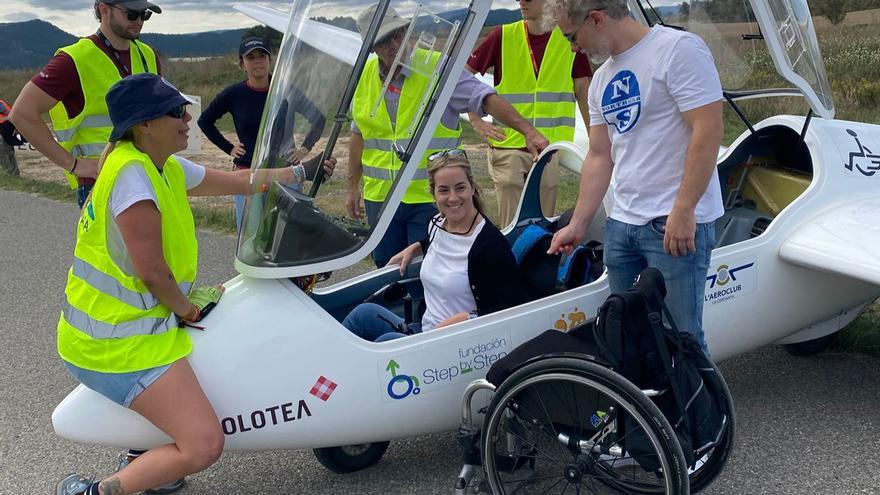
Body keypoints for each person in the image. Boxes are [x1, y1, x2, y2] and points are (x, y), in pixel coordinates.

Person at [54, 73, 335, 495]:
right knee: (204, 445)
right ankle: (96, 491)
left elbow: (242, 181)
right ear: (143, 123)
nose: (188, 118)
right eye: (175, 112)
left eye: (184, 109)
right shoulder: (133, 179)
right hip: (117, 344)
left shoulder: (155, 162)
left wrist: (300, 171)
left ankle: (147, 453)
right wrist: (187, 309)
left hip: (130, 326)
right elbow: (152, 273)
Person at [548, 0, 724, 353]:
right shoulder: (600, 80)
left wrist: (684, 209)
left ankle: (700, 411)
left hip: (673, 225)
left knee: (682, 343)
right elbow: (600, 155)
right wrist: (580, 223)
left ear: (596, 18)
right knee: (629, 337)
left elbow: (707, 130)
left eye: (572, 35)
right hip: (622, 227)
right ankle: (644, 410)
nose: (572, 47)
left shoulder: (678, 50)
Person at [347, 4, 550, 268]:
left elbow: (484, 98)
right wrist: (352, 187)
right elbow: (358, 134)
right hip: (380, 199)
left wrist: (528, 131)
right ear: (373, 48)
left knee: (428, 270)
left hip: (430, 198)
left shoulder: (437, 68)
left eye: (399, 33)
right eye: (386, 40)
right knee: (386, 271)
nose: (397, 44)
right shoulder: (364, 76)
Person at [343, 149, 529, 341]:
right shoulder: (437, 223)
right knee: (362, 314)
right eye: (443, 190)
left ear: (472, 188)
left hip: (458, 344)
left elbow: (513, 307)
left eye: (460, 188)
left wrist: (467, 317)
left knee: (384, 342)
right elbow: (447, 245)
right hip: (426, 332)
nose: (453, 197)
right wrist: (416, 247)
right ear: (433, 194)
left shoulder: (490, 245)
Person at [9, 0, 163, 209]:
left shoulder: (148, 55)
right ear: (104, 10)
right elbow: (22, 113)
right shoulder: (74, 59)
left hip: (149, 173)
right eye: (131, 14)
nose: (139, 21)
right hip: (101, 181)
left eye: (144, 14)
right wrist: (73, 165)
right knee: (103, 244)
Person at [466, 0, 592, 227]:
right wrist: (476, 120)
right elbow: (462, 76)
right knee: (510, 228)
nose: (521, 1)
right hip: (509, 147)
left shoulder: (568, 39)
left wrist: (596, 142)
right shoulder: (502, 36)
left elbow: (583, 90)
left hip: (549, 149)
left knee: (543, 226)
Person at [198, 37, 326, 230]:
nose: (257, 61)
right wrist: (229, 148)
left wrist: (305, 148)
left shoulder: (285, 91)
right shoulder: (234, 94)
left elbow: (319, 119)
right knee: (251, 234)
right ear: (242, 64)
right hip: (248, 174)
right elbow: (204, 121)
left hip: (284, 173)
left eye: (262, 56)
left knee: (285, 234)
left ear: (270, 60)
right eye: (251, 57)